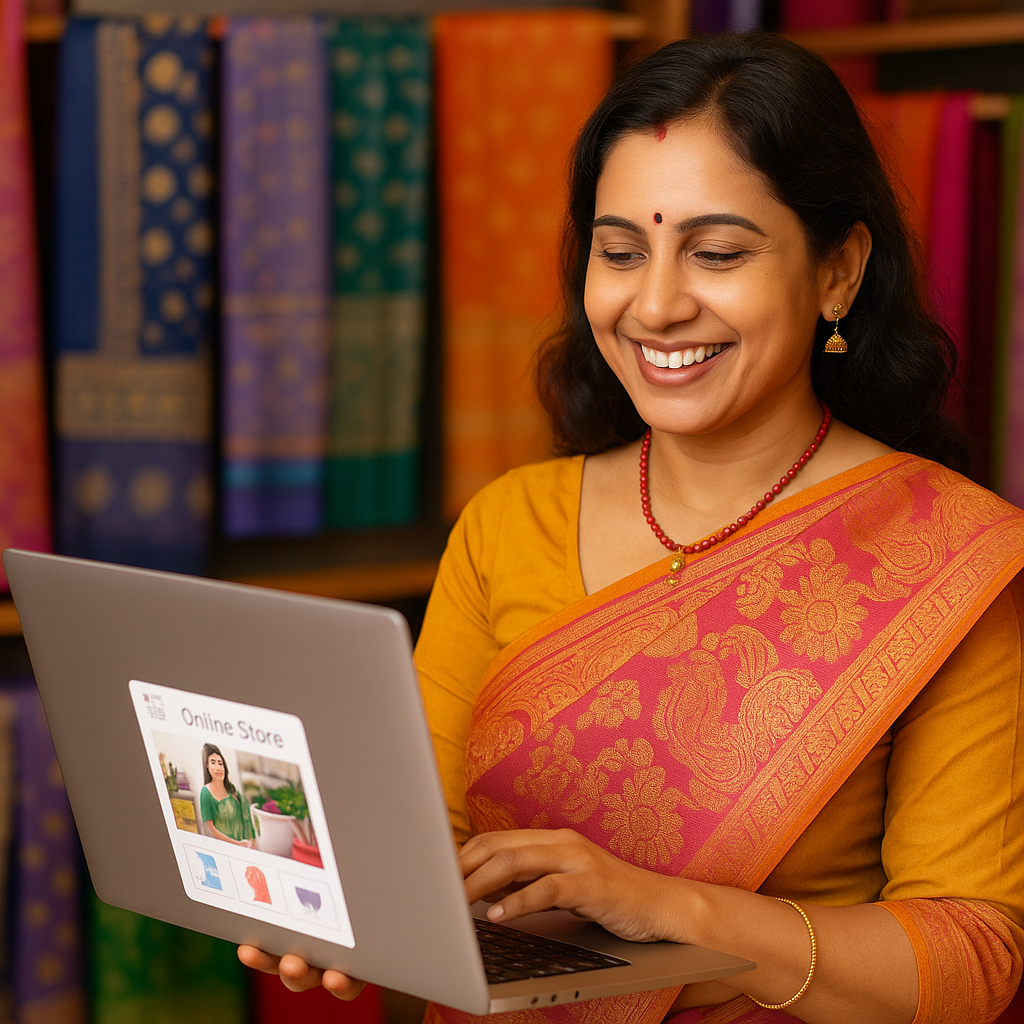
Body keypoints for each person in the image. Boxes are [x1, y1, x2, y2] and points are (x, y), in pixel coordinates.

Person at [240, 32, 1024, 1023]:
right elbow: (416, 855)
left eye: (717, 252)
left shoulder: (949, 557)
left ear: (838, 270)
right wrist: (324, 904)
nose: (654, 304)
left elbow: (969, 961)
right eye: (620, 252)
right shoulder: (508, 523)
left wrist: (668, 908)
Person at [200, 743, 255, 848]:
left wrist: (251, 842)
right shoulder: (205, 792)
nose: (218, 768)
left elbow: (247, 818)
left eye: (220, 763)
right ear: (206, 766)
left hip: (244, 847)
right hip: (225, 849)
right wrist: (238, 844)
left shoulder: (233, 791)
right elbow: (210, 829)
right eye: (213, 763)